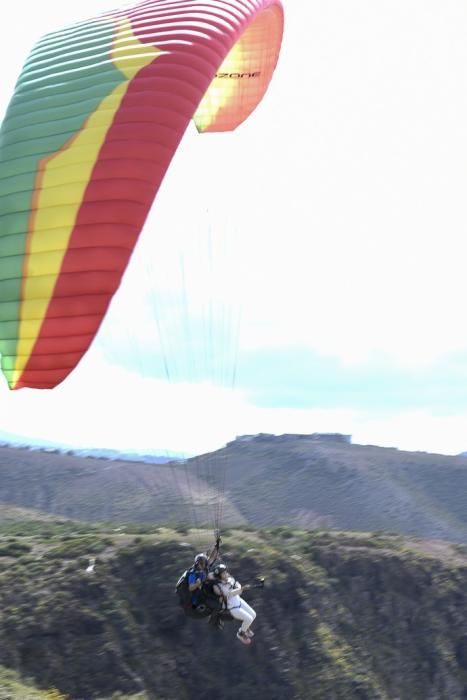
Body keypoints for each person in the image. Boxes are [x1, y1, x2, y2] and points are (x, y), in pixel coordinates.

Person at [212, 563, 256, 645]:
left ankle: (244, 628)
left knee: (253, 615)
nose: (226, 573)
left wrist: (240, 587)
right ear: (219, 575)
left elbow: (237, 584)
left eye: (225, 571)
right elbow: (228, 594)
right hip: (233, 608)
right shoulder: (217, 586)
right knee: (249, 619)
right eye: (223, 573)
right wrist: (241, 589)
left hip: (239, 601)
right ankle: (241, 634)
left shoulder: (230, 579)